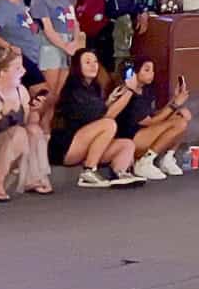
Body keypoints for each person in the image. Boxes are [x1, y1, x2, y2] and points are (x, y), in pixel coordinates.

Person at [49, 48, 143, 188]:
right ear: (77, 66)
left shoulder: (93, 87)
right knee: (109, 124)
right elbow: (106, 117)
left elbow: (97, 114)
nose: (93, 65)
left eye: (95, 61)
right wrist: (130, 91)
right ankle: (89, 170)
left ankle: (121, 172)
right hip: (67, 147)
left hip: (86, 145)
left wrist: (110, 100)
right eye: (87, 62)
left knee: (127, 144)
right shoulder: (75, 89)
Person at [0, 48, 52, 199]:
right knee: (18, 133)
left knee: (33, 130)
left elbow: (28, 122)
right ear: (3, 72)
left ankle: (34, 177)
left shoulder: (21, 90)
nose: (23, 72)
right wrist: (0, 114)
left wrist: (34, 110)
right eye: (17, 68)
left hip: (15, 140)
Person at [111, 58, 190, 180]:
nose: (151, 74)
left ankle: (168, 158)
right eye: (147, 70)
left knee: (182, 116)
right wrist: (175, 104)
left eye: (152, 70)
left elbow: (155, 115)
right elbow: (150, 122)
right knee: (178, 123)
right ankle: (144, 162)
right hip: (131, 139)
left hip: (145, 133)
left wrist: (174, 100)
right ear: (133, 73)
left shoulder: (147, 90)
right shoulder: (127, 92)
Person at [30, 0, 81, 122]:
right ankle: (37, 124)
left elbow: (73, 21)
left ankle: (47, 127)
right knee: (48, 92)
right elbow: (48, 29)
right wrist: (65, 45)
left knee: (58, 93)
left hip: (66, 46)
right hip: (50, 47)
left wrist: (75, 40)